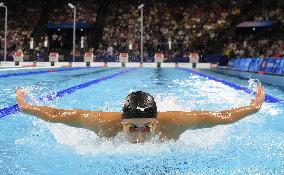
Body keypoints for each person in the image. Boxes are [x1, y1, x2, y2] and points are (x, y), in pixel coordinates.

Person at [16, 86, 265, 143]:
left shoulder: (175, 123)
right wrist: (28, 108)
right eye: (132, 127)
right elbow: (60, 114)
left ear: (156, 122)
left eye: (147, 127)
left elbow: (220, 117)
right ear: (121, 122)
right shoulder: (103, 124)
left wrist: (253, 107)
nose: (140, 135)